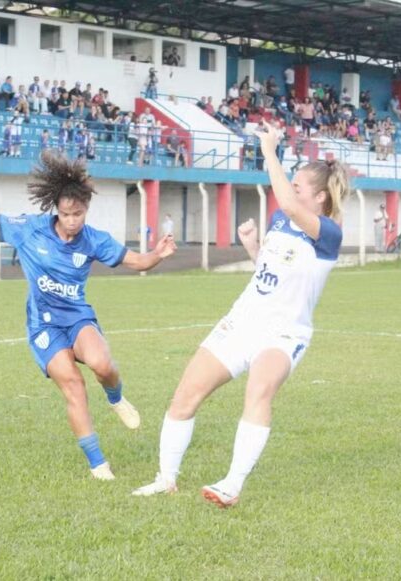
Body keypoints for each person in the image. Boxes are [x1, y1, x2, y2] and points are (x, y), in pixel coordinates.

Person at [133, 127, 350, 508]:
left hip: (284, 333)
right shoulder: (282, 222)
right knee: (186, 395)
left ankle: (231, 485)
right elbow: (270, 272)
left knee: (258, 391)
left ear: (320, 197)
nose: (291, 190)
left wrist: (270, 151)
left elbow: (288, 205)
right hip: (244, 319)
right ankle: (165, 479)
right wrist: (253, 247)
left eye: (298, 186)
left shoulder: (328, 233)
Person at [0, 153, 177, 480]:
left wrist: (158, 255)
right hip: (43, 326)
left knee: (102, 364)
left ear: (86, 210)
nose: (71, 220)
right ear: (56, 209)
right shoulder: (31, 230)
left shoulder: (94, 239)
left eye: (77, 214)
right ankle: (98, 464)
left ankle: (116, 398)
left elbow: (135, 261)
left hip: (78, 318)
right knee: (74, 386)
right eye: (65, 214)